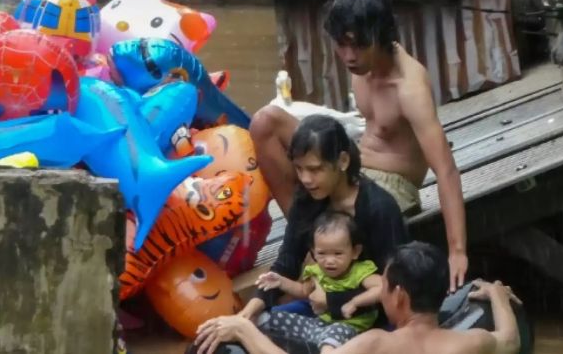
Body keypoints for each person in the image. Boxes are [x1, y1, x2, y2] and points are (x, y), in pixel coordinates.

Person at [251, 0, 468, 291]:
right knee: (265, 123)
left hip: (393, 182)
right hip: (354, 160)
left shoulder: (409, 87)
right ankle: (311, 242)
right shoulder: (361, 66)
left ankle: (322, 251)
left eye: (358, 46)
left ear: (381, 37)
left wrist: (457, 251)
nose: (349, 56)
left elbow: (446, 169)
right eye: (342, 45)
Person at [193, 241, 521, 354]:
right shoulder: (471, 344)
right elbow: (510, 341)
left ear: (400, 296)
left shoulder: (375, 344)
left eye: (386, 285)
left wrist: (243, 329)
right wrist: (496, 293)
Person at [236, 114, 409, 322]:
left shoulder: (379, 208)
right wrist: (249, 311)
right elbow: (287, 262)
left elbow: (396, 286)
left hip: (368, 317)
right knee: (263, 322)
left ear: (343, 161)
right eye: (299, 169)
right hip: (323, 310)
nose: (306, 179)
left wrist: (332, 300)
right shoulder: (307, 200)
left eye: (315, 169)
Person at [255, 211, 383, 352]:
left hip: (349, 330)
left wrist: (354, 302)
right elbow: (303, 291)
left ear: (355, 252)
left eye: (338, 253)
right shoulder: (316, 271)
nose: (329, 261)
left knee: (331, 339)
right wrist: (281, 282)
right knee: (267, 318)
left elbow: (381, 287)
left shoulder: (359, 271)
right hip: (318, 325)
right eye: (322, 253)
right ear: (313, 252)